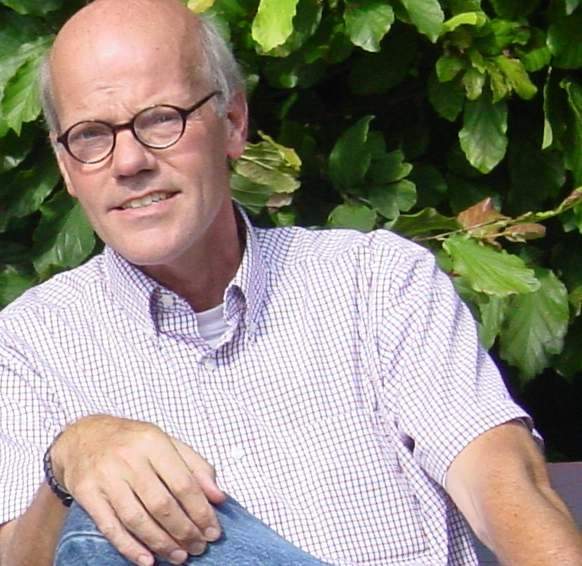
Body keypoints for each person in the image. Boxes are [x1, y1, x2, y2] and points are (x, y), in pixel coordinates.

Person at [0, 0, 580, 564]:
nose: (129, 162)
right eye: (91, 136)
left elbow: (501, 479)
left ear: (233, 123)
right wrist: (68, 464)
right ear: (65, 166)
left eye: (159, 120)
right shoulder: (28, 344)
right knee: (96, 519)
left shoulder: (377, 281)